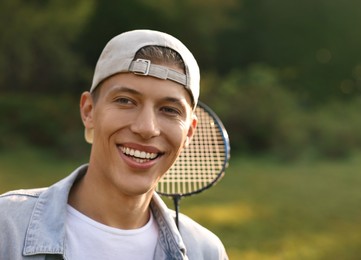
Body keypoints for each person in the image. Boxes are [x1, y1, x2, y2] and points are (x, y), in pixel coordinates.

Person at [0, 29, 228, 260]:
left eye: (169, 110)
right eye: (125, 101)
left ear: (189, 132)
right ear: (89, 111)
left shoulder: (206, 251)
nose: (147, 128)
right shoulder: (7, 228)